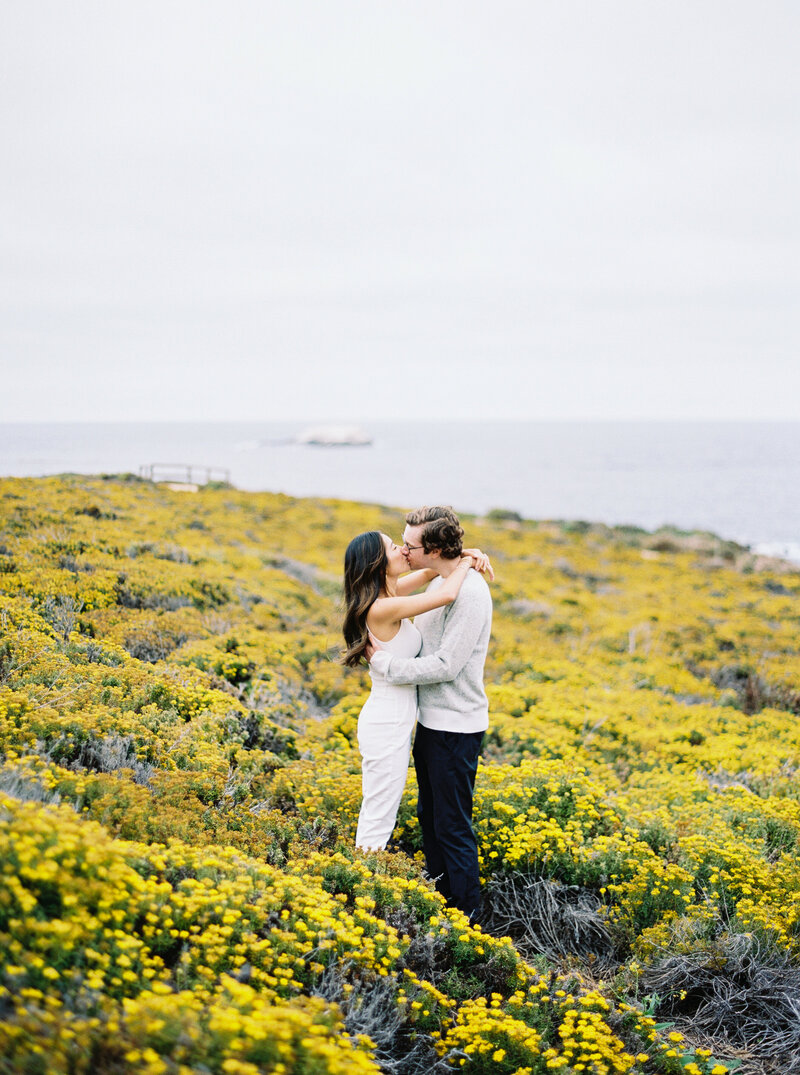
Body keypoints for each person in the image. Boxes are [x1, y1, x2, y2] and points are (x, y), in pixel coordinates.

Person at [368, 506, 493, 919]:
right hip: (430, 723)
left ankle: (469, 921)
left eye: (411, 544)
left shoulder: (469, 593)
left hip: (456, 727)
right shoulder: (443, 579)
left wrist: (388, 667)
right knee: (430, 819)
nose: (404, 550)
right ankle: (444, 907)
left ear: (435, 548)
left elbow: (446, 666)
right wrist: (467, 555)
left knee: (453, 827)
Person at [342, 530, 491, 852]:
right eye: (394, 547)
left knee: (384, 807)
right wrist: (465, 564)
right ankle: (362, 884)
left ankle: (365, 875)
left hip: (394, 718)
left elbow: (432, 570)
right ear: (378, 563)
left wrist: (463, 553)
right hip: (387, 723)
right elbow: (446, 594)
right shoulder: (381, 608)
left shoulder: (388, 593)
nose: (403, 550)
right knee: (380, 812)